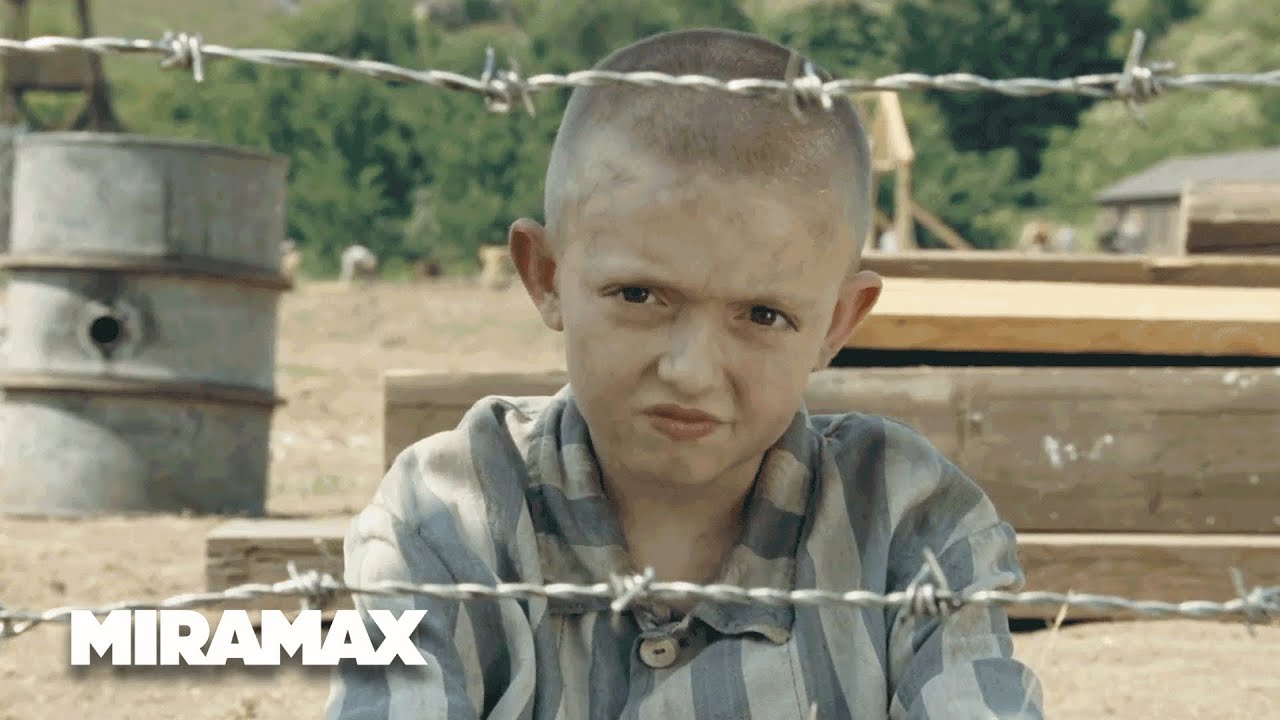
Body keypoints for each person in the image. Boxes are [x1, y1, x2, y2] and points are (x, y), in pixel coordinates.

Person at [326, 28, 1042, 720]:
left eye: (763, 315)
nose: (692, 372)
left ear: (837, 324)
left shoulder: (910, 527)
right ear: (545, 275)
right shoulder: (447, 521)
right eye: (639, 296)